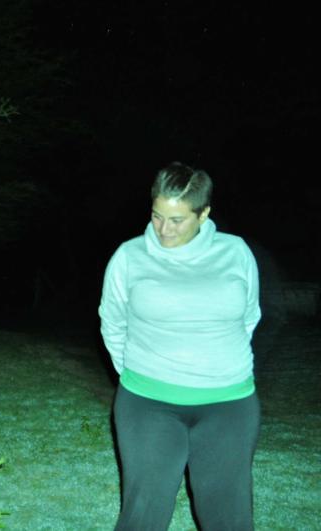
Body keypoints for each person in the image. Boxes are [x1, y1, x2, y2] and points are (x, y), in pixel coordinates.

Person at [98, 162, 261, 530]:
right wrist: (142, 373)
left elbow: (249, 316)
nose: (163, 230)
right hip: (148, 404)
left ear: (203, 213)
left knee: (228, 514)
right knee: (144, 513)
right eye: (157, 216)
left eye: (177, 220)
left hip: (229, 405)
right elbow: (113, 323)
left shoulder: (235, 253)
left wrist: (215, 364)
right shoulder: (129, 256)